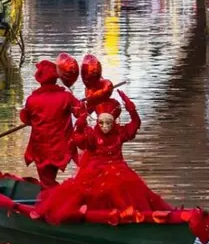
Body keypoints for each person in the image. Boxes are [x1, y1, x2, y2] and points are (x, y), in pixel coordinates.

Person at [32, 82, 171, 224]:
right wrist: (80, 123)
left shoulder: (120, 133)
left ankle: (128, 216)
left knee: (126, 185)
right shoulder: (91, 135)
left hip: (119, 169)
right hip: (94, 172)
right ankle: (94, 216)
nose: (105, 127)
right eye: (101, 123)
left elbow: (135, 124)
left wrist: (130, 107)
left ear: (114, 122)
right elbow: (78, 140)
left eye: (109, 123)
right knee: (91, 190)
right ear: (97, 121)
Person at [19, 58, 81, 187]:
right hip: (60, 148)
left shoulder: (32, 100)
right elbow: (80, 112)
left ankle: (57, 199)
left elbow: (26, 119)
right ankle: (56, 198)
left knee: (46, 181)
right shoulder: (66, 97)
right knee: (48, 180)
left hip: (40, 147)